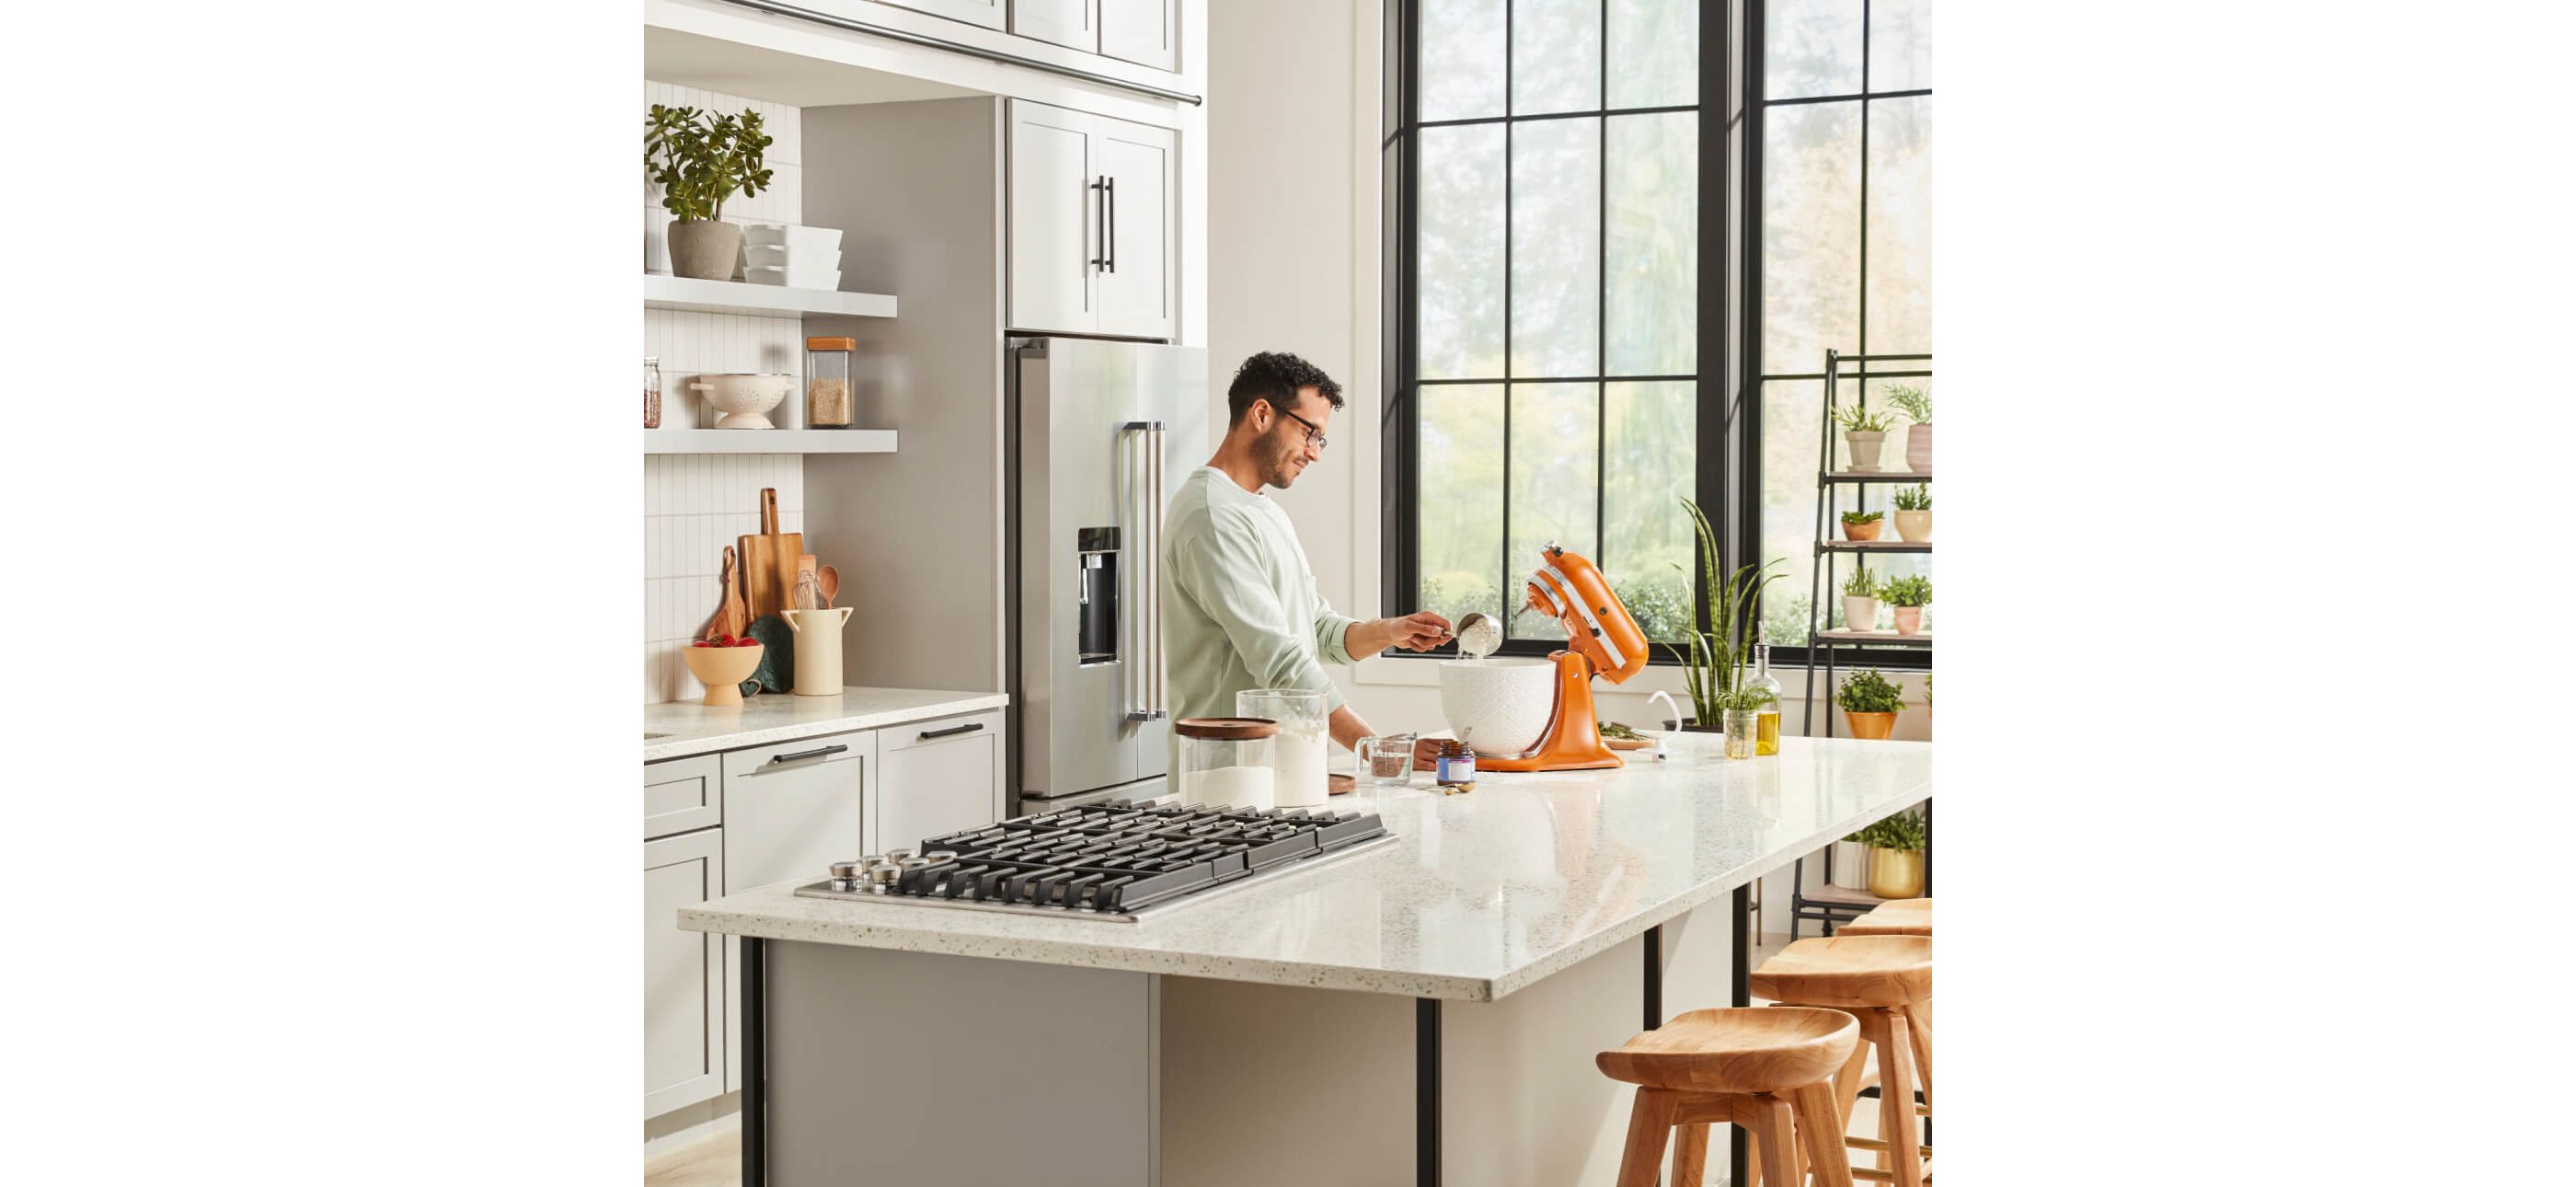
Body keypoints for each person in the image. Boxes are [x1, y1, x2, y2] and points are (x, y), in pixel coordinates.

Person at [1161, 351, 1451, 755]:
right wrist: (1376, 748)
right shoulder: (1212, 517)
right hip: (1228, 770)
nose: (1314, 452)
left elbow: (1315, 630)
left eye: (1319, 439)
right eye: (1308, 433)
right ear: (1261, 414)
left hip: (1280, 766)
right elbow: (1279, 660)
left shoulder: (1261, 511)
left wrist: (1391, 632)